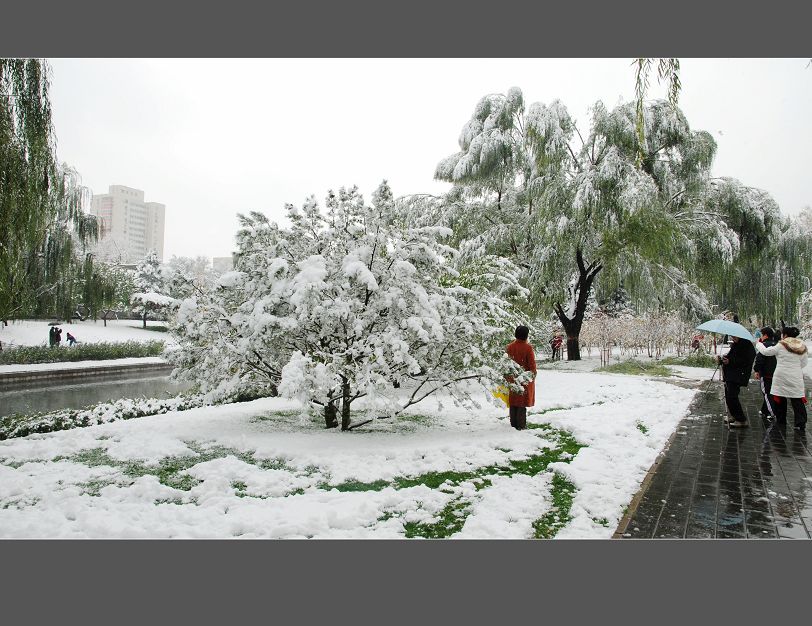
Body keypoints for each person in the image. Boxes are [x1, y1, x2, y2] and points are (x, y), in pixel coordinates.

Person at [754, 326, 808, 431]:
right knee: (797, 400)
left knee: (780, 399)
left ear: (786, 335)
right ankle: (800, 423)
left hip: (781, 375)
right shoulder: (802, 346)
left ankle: (781, 420)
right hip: (795, 376)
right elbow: (804, 362)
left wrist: (759, 344)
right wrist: (795, 367)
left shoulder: (781, 345)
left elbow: (766, 352)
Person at [718, 334, 756, 427]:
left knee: (732, 396)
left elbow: (746, 360)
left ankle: (741, 419)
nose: (733, 338)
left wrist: (731, 361)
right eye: (732, 337)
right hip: (731, 373)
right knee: (728, 395)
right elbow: (732, 356)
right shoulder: (736, 344)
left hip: (739, 374)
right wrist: (725, 358)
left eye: (734, 337)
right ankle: (734, 415)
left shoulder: (746, 345)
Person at [506, 325, 537, 431]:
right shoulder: (528, 348)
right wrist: (533, 375)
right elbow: (532, 364)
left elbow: (506, 363)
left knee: (513, 400)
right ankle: (521, 424)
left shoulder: (509, 347)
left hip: (512, 378)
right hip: (524, 378)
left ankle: (513, 423)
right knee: (522, 402)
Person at [753, 327, 778, 419]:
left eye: (761, 334)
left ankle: (771, 412)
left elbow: (759, 360)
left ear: (765, 335)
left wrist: (756, 370)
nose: (761, 337)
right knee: (771, 391)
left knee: (767, 393)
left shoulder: (763, 346)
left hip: (766, 373)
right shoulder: (777, 344)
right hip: (776, 373)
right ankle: (764, 409)